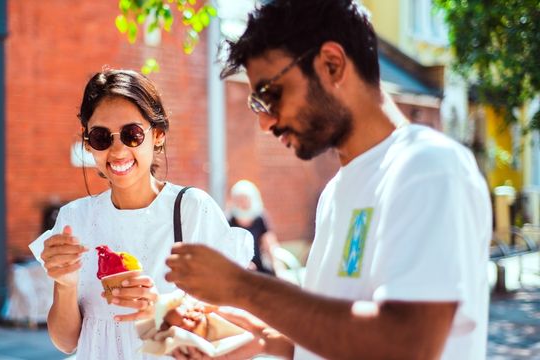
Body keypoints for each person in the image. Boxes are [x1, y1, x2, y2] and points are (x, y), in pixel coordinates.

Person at [165, 1, 492, 359]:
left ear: (332, 64)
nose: (265, 122)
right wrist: (248, 331)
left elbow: (405, 343)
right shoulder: (335, 192)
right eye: (257, 105)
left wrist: (244, 287)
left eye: (270, 95)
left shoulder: (426, 166)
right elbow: (329, 340)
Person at [28, 69, 253, 359]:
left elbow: (236, 316)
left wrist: (160, 308)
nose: (118, 149)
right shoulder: (75, 220)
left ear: (157, 135)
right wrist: (66, 285)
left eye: (132, 134)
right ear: (88, 145)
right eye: (100, 137)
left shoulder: (192, 210)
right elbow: (66, 342)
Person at [227, 179, 279, 275]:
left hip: (259, 268)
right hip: (237, 269)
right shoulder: (229, 221)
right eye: (239, 199)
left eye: (245, 199)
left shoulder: (260, 218)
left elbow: (269, 244)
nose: (242, 203)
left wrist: (278, 268)